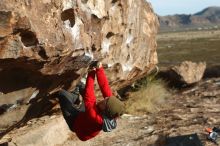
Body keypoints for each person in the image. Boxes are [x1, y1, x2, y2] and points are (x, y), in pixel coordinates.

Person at [58, 61, 125, 141]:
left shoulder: (95, 118)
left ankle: (75, 96)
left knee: (62, 94)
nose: (105, 98)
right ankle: (77, 97)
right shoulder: (110, 110)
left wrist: (92, 72)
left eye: (106, 101)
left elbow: (89, 97)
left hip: (76, 124)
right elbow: (104, 87)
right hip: (84, 116)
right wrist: (99, 69)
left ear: (105, 110)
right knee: (83, 87)